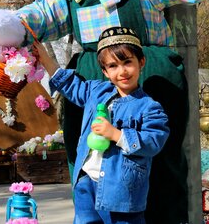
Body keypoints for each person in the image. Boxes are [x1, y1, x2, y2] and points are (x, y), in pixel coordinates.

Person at [33, 26, 169, 224]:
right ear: (105, 71)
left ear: (141, 62)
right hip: (86, 182)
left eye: (127, 62)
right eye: (113, 66)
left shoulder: (149, 107)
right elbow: (70, 85)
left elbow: (154, 140)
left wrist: (116, 134)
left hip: (122, 191)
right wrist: (45, 59)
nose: (122, 71)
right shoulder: (96, 92)